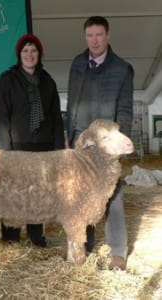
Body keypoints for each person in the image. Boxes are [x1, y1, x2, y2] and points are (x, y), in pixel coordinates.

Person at [67, 16, 134, 270]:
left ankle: (118, 250)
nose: (94, 41)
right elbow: (72, 102)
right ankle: (84, 244)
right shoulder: (77, 63)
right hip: (81, 140)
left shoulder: (122, 68)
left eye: (98, 35)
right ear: (85, 37)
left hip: (106, 143)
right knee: (80, 194)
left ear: (108, 36)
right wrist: (69, 133)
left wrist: (118, 142)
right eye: (89, 36)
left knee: (112, 194)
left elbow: (125, 109)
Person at [0, 33, 65, 247]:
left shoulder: (48, 81)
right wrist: (5, 152)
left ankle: (36, 236)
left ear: (39, 54)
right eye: (25, 50)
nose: (29, 54)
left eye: (33, 50)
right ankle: (12, 237)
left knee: (38, 194)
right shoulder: (8, 80)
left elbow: (55, 117)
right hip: (17, 148)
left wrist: (58, 150)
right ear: (19, 54)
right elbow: (1, 117)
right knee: (14, 193)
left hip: (43, 148)